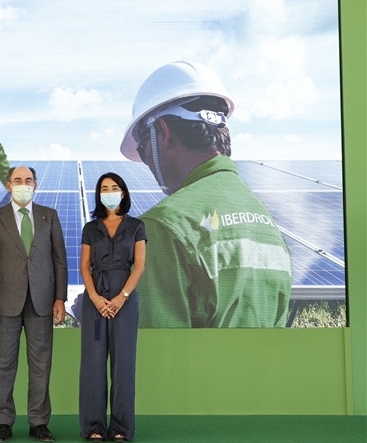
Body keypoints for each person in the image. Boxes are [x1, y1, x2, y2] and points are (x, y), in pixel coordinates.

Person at [120, 61, 292, 327]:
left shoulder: (160, 228)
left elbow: (150, 358)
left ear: (162, 134)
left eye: (142, 149)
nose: (147, 163)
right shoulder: (267, 224)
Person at [0, 166, 68, 443]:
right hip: (5, 302)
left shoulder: (49, 216)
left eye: (28, 180)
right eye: (18, 181)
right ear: (8, 185)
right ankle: (4, 421)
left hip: (42, 301)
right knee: (4, 364)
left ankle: (39, 422)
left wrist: (60, 298)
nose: (23, 185)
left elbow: (60, 260)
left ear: (35, 185)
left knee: (41, 364)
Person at [79, 173, 146, 443]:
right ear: (98, 195)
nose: (109, 192)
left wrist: (122, 297)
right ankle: (93, 426)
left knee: (123, 365)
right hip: (94, 300)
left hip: (125, 301)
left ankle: (121, 427)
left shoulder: (137, 226)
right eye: (104, 188)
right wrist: (95, 297)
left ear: (123, 192)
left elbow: (139, 265)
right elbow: (84, 265)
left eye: (114, 187)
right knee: (93, 365)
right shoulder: (90, 228)